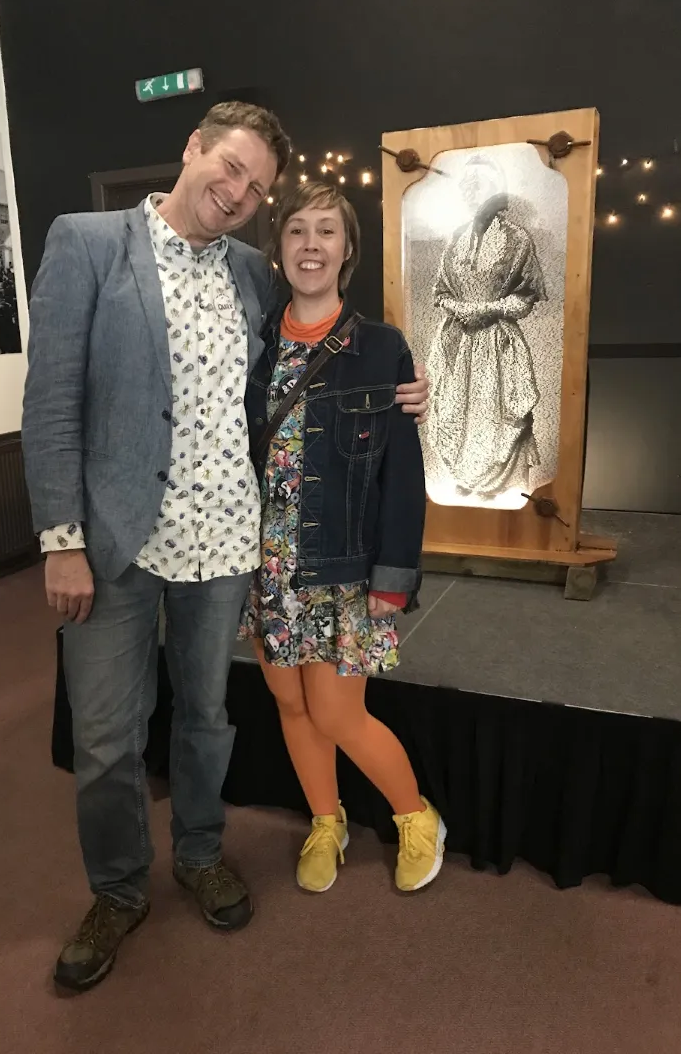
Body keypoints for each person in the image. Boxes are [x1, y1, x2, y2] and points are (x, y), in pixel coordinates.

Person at [22, 101, 431, 994]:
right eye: (231, 168)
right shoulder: (87, 242)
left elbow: (326, 357)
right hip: (116, 546)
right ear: (193, 149)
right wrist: (61, 539)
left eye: (257, 186)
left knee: (208, 721)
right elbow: (51, 400)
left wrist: (405, 390)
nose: (239, 192)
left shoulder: (253, 270)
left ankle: (200, 855)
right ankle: (119, 891)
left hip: (227, 550)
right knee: (104, 739)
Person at [240, 182, 445, 895]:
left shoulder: (380, 348)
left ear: (347, 250)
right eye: (296, 231)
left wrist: (396, 573)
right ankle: (326, 821)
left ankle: (415, 816)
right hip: (268, 568)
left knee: (335, 710)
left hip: (343, 566)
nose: (310, 246)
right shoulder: (255, 343)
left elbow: (401, 473)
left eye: (326, 232)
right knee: (291, 705)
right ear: (279, 249)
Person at [427, 153, 545, 502]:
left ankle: (497, 484)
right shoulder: (456, 237)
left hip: (497, 343)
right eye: (465, 183)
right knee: (452, 407)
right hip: (456, 342)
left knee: (494, 408)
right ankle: (464, 480)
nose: (469, 189)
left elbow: (526, 296)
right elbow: (441, 291)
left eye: (477, 183)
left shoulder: (517, 239)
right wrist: (461, 310)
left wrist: (487, 310)